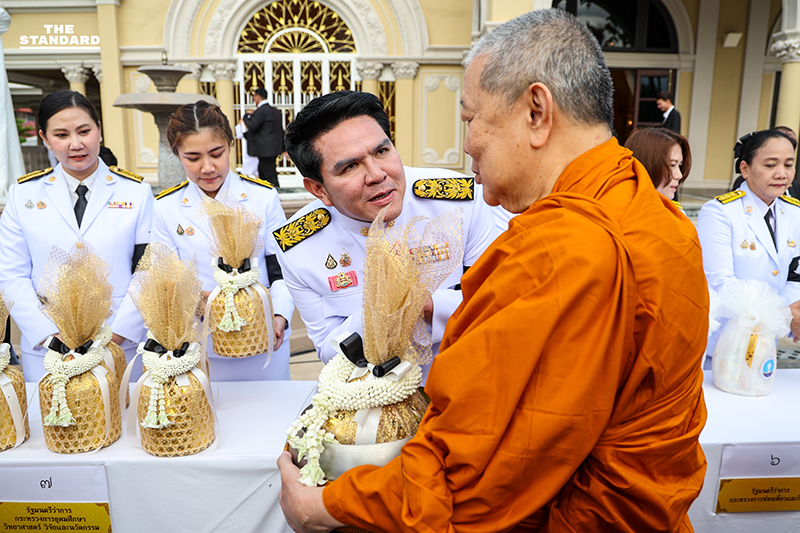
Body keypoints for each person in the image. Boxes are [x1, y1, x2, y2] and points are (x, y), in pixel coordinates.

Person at [277, 9, 708, 533]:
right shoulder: (658, 217)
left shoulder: (555, 248)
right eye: (348, 166)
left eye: (470, 119)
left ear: (536, 112)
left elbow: (468, 475)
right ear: (318, 188)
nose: (467, 145)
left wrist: (322, 507)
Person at [271, 90, 500, 382]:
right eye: (350, 166)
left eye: (381, 152)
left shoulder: (459, 200)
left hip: (468, 378)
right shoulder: (299, 245)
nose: (377, 175)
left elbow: (498, 301)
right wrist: (379, 313)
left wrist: (428, 307)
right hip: (373, 395)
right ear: (319, 189)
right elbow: (329, 349)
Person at [0, 90, 153, 381]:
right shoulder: (23, 195)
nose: (76, 144)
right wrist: (48, 335)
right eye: (61, 135)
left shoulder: (136, 192)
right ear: (45, 138)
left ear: (99, 130)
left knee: (121, 408)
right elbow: (11, 274)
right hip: (49, 348)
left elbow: (147, 270)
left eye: (84, 131)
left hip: (118, 342)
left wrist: (118, 334)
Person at [149, 100, 293, 380]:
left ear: (230, 145)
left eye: (217, 153)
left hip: (263, 336)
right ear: (177, 154)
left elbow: (282, 268)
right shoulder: (166, 207)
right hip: (203, 343)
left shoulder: (263, 197)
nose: (207, 167)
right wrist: (198, 302)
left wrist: (281, 316)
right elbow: (164, 276)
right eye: (193, 158)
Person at [698, 129, 800, 364]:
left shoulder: (794, 212)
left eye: (788, 164)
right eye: (770, 165)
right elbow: (720, 284)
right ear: (745, 169)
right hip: (724, 346)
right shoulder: (720, 212)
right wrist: (785, 316)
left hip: (767, 345)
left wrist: (794, 313)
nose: (781, 174)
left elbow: (795, 273)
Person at [624, 126, 691, 203]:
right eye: (672, 165)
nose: (679, 175)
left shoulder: (673, 209)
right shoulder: (621, 207)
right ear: (647, 165)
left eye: (679, 166)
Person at [242, 87, 284, 188]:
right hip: (273, 148)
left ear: (258, 97)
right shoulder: (276, 111)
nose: (254, 100)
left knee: (268, 174)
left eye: (254, 97)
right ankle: (268, 192)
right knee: (265, 173)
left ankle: (275, 192)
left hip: (264, 150)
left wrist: (246, 116)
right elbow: (280, 130)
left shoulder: (261, 111)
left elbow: (252, 125)